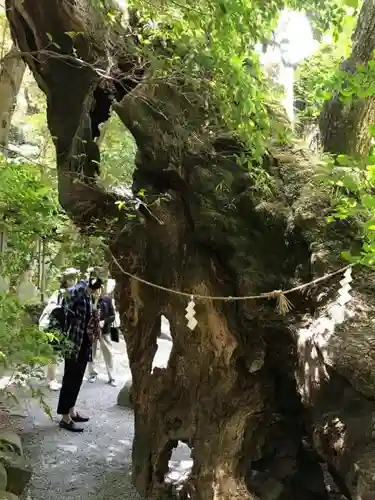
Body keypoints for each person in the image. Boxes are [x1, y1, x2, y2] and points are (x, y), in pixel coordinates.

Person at [57, 274, 103, 432]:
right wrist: (86, 286)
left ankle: (71, 411)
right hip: (73, 343)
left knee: (77, 379)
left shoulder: (89, 296)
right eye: (95, 288)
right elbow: (68, 298)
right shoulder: (77, 291)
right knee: (69, 379)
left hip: (84, 344)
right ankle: (64, 418)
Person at [38, 267, 80, 391]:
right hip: (53, 326)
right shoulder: (63, 293)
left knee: (54, 354)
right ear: (66, 280)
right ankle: (51, 379)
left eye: (75, 278)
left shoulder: (64, 292)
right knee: (53, 354)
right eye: (71, 278)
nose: (74, 280)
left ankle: (51, 378)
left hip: (57, 326)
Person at [87, 288, 117, 386]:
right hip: (92, 331)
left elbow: (113, 316)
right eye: (94, 289)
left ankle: (111, 376)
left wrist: (105, 321)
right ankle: (92, 374)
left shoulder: (107, 299)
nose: (96, 291)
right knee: (92, 352)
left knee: (108, 352)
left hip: (104, 331)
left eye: (98, 288)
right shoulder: (88, 299)